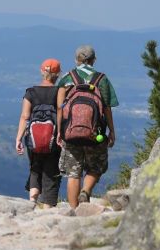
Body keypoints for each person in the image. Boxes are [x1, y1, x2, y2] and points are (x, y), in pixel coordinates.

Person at [56, 44, 118, 207]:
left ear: (76, 60)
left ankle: (74, 211)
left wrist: (59, 131)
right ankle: (86, 191)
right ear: (94, 60)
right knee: (96, 167)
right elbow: (107, 108)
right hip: (95, 133)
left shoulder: (66, 78)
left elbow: (59, 107)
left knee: (73, 174)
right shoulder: (102, 79)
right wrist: (111, 130)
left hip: (70, 134)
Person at [15, 58, 63, 208]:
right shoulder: (59, 91)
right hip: (53, 138)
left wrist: (18, 138)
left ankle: (32, 200)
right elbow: (61, 111)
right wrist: (60, 132)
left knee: (35, 167)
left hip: (33, 139)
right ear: (58, 74)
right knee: (51, 170)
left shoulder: (31, 92)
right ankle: (48, 207)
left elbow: (25, 116)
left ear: (42, 72)